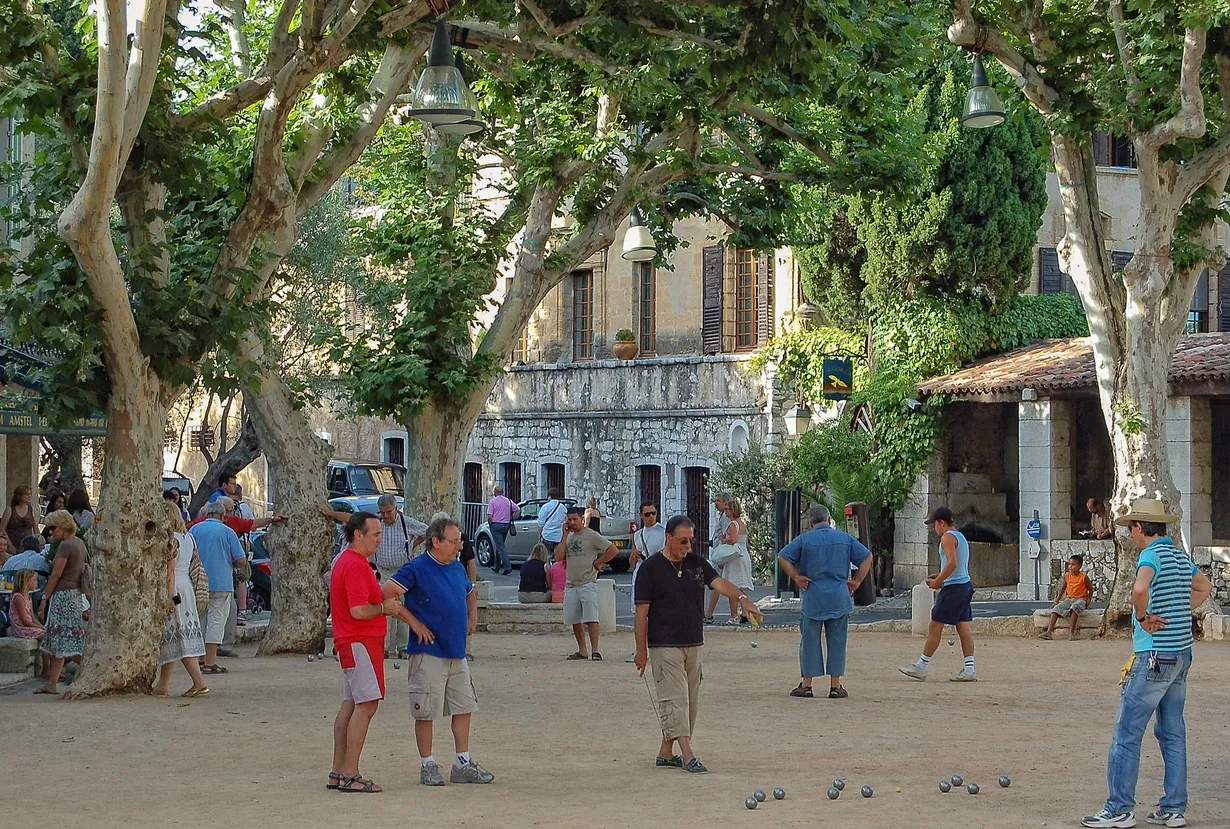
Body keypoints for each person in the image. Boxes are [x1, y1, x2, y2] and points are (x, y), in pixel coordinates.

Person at [1081, 498, 1213, 829]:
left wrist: (1143, 617)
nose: (1131, 534)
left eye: (1131, 529)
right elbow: (1204, 587)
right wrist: (1180, 611)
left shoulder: (1150, 556)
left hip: (1154, 655)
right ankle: (1173, 808)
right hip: (1181, 653)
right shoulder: (1180, 556)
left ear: (1140, 528)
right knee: (1172, 732)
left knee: (1127, 732)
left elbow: (1139, 589)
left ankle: (1120, 808)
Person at [633, 515, 763, 773]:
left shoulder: (696, 563)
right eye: (682, 541)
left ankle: (666, 751)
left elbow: (719, 583)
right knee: (675, 698)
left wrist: (743, 598)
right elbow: (641, 614)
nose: (687, 546)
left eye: (691, 541)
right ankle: (688, 753)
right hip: (664, 643)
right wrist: (641, 651)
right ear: (668, 538)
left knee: (690, 700)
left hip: (693, 641)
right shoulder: (650, 569)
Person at [382, 517, 494, 787]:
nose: (459, 546)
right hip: (428, 651)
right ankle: (428, 763)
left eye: (459, 541)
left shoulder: (456, 568)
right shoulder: (417, 568)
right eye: (454, 541)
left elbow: (470, 591)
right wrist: (414, 623)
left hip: (456, 650)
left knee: (464, 705)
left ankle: (463, 762)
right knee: (426, 709)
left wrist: (472, 615)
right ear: (436, 541)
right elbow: (388, 593)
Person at [329, 511, 395, 794]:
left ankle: (339, 771)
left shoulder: (347, 561)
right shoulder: (355, 564)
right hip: (360, 642)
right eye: (376, 535)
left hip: (351, 643)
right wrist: (384, 608)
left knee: (352, 704)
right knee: (366, 705)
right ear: (359, 535)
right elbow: (358, 610)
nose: (380, 540)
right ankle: (351, 772)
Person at [777, 505, 872, 699]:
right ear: (828, 520)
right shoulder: (845, 538)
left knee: (810, 640)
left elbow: (783, 556)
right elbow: (867, 556)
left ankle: (807, 684)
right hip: (838, 595)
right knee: (837, 640)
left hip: (814, 595)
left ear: (811, 523)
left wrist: (796, 577)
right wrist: (856, 581)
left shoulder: (804, 540)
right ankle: (835, 685)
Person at [898, 506, 978, 682]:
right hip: (964, 585)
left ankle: (922, 665)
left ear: (942, 523)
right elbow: (957, 564)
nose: (934, 529)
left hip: (954, 588)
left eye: (934, 525)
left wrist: (938, 581)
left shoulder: (947, 537)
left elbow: (952, 563)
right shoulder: (960, 537)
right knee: (962, 627)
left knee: (935, 625)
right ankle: (969, 668)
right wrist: (940, 574)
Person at [155, 500, 209, 697]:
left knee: (177, 635)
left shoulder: (170, 541)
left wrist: (169, 597)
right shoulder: (189, 538)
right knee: (176, 637)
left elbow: (170, 572)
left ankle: (199, 681)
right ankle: (163, 684)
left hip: (175, 588)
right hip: (187, 589)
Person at [188, 499, 246, 674]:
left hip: (197, 582)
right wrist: (231, 564)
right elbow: (241, 560)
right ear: (222, 515)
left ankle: (199, 660)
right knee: (216, 621)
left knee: (200, 621)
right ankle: (210, 662)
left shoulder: (194, 530)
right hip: (221, 582)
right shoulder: (227, 532)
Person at [34, 511, 88, 695]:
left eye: (53, 528)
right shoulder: (80, 544)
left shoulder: (65, 546)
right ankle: (52, 683)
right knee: (64, 640)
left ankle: (86, 670)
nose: (50, 532)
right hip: (75, 595)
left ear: (63, 526)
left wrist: (44, 598)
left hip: (63, 596)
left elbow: (56, 574)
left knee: (63, 640)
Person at [556, 506, 619, 661]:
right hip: (571, 583)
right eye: (569, 520)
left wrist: (599, 562)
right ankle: (582, 649)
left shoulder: (591, 535)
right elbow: (558, 557)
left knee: (591, 617)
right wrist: (564, 536)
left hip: (587, 582)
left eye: (575, 519)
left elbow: (612, 550)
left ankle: (595, 650)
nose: (572, 522)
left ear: (582, 519)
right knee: (574, 618)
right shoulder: (569, 537)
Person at [706, 498, 756, 624]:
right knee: (740, 587)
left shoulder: (733, 524)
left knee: (732, 587)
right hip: (742, 555)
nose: (726, 511)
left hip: (735, 557)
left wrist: (723, 539)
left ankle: (733, 616)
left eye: (728, 509)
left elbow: (733, 540)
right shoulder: (742, 523)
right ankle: (744, 613)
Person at [1043, 554, 1095, 640]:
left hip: (1081, 599)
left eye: (1073, 565)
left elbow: (1090, 589)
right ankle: (1049, 632)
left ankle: (1071, 633)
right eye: (1069, 564)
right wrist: (1057, 601)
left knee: (1074, 608)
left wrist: (1088, 601)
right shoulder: (1067, 576)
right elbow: (1063, 588)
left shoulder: (1083, 577)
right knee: (1056, 609)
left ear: (1080, 566)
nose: (1070, 567)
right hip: (1069, 599)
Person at [485, 485, 520, 576]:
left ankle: (507, 567)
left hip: (495, 525)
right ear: (503, 492)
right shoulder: (508, 501)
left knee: (500, 547)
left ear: (495, 492)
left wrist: (490, 524)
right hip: (506, 525)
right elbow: (518, 510)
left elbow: (489, 516)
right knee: (500, 545)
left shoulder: (492, 502)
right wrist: (511, 518)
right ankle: (496, 566)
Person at [7, 568, 46, 643]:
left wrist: (42, 626)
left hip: (29, 626)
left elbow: (32, 617)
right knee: (45, 636)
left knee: (48, 633)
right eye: (34, 580)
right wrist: (40, 628)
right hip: (21, 628)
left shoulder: (28, 597)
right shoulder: (18, 598)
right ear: (26, 581)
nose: (36, 583)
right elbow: (25, 621)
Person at [2, 485, 39, 551]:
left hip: (28, 546)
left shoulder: (31, 509)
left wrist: (38, 542)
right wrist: (9, 545)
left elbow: (35, 528)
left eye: (30, 494)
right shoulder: (10, 509)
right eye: (26, 494)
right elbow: (2, 529)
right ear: (19, 495)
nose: (29, 496)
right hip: (13, 545)